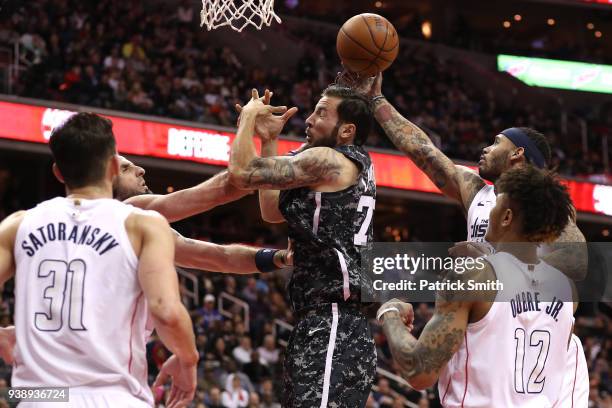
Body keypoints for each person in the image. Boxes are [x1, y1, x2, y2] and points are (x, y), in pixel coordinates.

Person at [361, 73, 589, 406]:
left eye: (497, 142)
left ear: (517, 155)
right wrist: (377, 102)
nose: (485, 148)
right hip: (492, 325)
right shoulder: (478, 192)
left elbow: (577, 262)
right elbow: (422, 149)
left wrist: (493, 258)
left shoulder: (546, 212)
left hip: (511, 324)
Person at [0, 112, 198, 407]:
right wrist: (188, 360)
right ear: (114, 166)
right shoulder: (143, 224)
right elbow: (166, 310)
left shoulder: (18, 224)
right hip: (116, 396)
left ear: (58, 172)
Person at [377, 166, 576, 406]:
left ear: (506, 217)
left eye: (496, 204)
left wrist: (390, 314)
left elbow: (419, 371)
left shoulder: (473, 276)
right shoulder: (566, 289)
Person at [229, 88, 377, 407]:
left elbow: (242, 173)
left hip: (335, 320)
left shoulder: (328, 160)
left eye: (322, 113)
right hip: (321, 319)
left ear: (347, 130)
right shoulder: (344, 164)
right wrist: (268, 140)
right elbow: (271, 210)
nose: (309, 119)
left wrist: (248, 119)